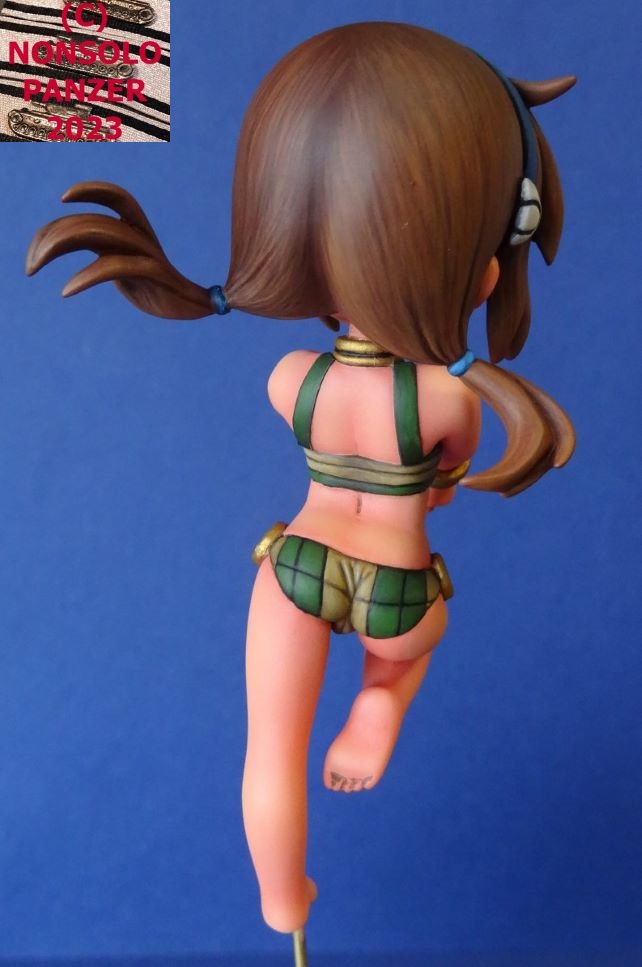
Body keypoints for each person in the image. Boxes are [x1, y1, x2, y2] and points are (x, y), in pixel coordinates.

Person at [26, 21, 576, 938]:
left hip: (297, 566)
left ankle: (283, 897)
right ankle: (381, 700)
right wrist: (429, 488)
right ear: (484, 261)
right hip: (396, 582)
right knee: (416, 643)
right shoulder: (448, 398)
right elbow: (444, 479)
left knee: (270, 750)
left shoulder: (291, 379)